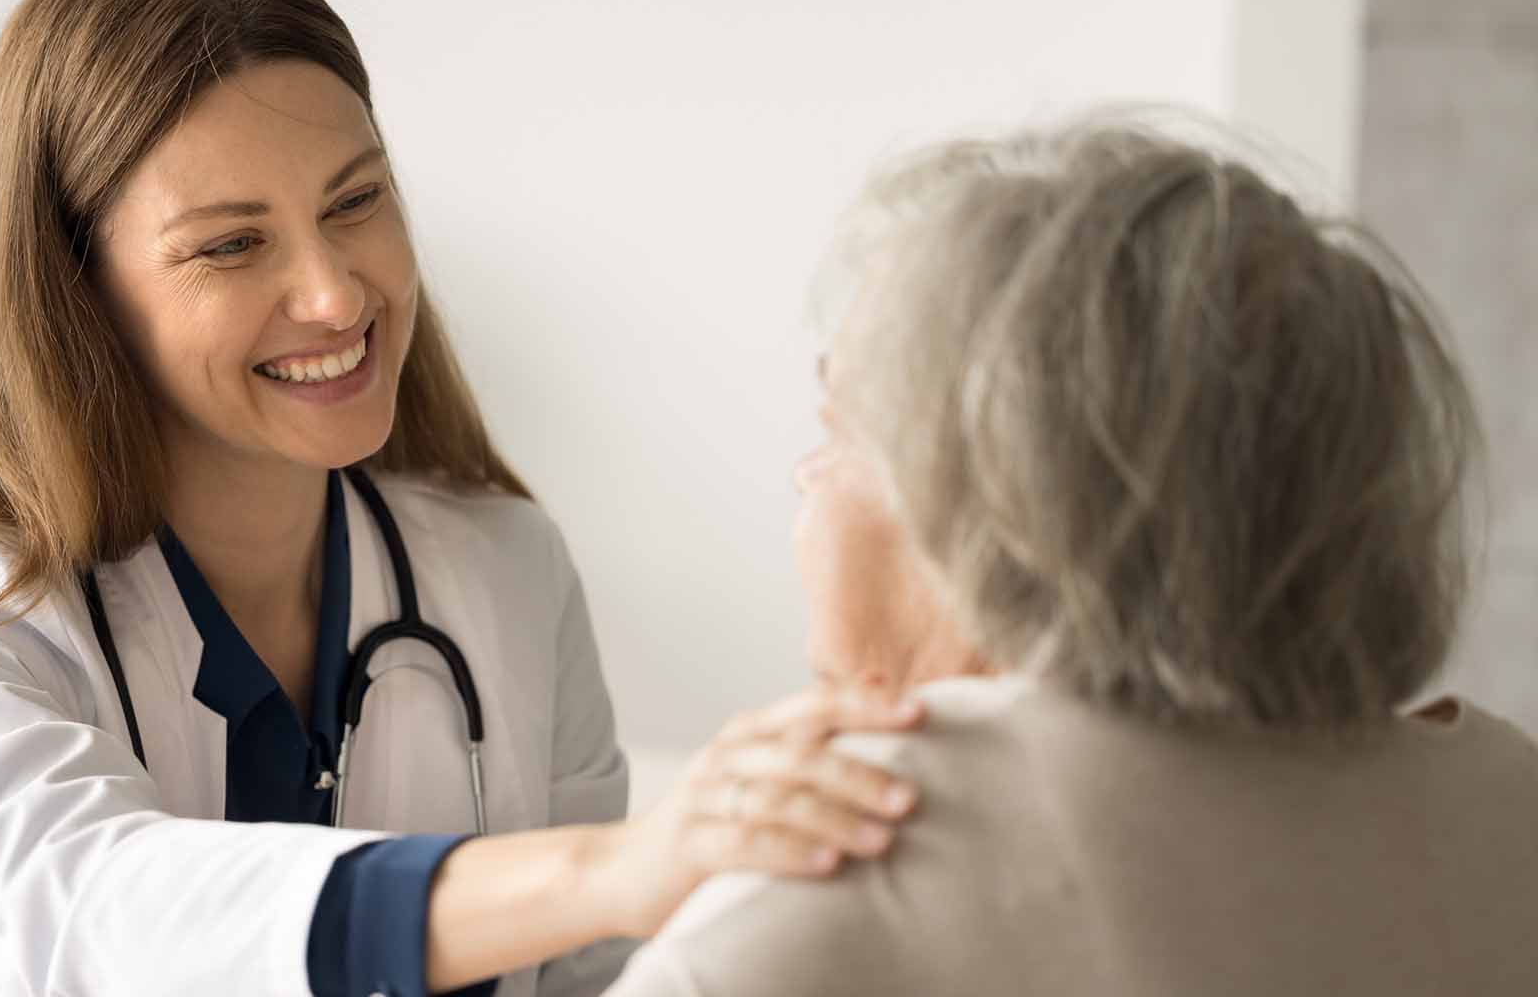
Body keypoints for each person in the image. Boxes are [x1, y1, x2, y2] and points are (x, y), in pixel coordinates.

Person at [0, 0, 927, 997]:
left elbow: (592, 982)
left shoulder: (507, 571)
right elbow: (95, 912)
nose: (334, 294)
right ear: (77, 297)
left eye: (356, 200)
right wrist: (613, 866)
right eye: (231, 245)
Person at [605, 119, 1538, 995]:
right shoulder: (1506, 807)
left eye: (840, 434)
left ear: (1004, 510)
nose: (807, 487)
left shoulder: (844, 863)